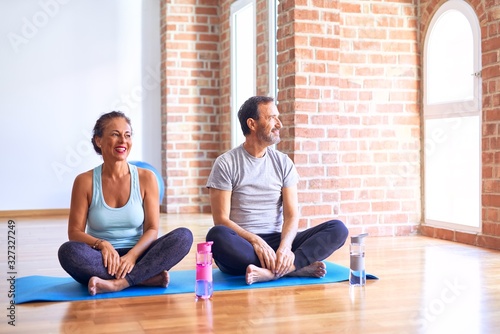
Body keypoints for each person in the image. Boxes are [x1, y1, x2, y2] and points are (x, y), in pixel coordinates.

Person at [206, 96, 349, 285]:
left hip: (278, 240)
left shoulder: (283, 163)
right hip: (244, 243)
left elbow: (291, 215)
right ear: (252, 124)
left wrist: (285, 248)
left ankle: (281, 269)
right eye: (272, 118)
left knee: (338, 229)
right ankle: (295, 269)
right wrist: (255, 241)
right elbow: (221, 219)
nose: (279, 124)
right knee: (217, 236)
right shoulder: (226, 163)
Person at [58, 111, 193, 296]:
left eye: (127, 135)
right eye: (115, 134)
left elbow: (152, 228)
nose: (123, 140)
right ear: (98, 140)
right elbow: (74, 232)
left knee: (183, 237)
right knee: (68, 252)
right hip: (101, 257)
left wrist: (132, 256)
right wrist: (103, 244)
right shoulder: (85, 181)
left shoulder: (146, 178)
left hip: (139, 254)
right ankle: (144, 278)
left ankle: (118, 284)